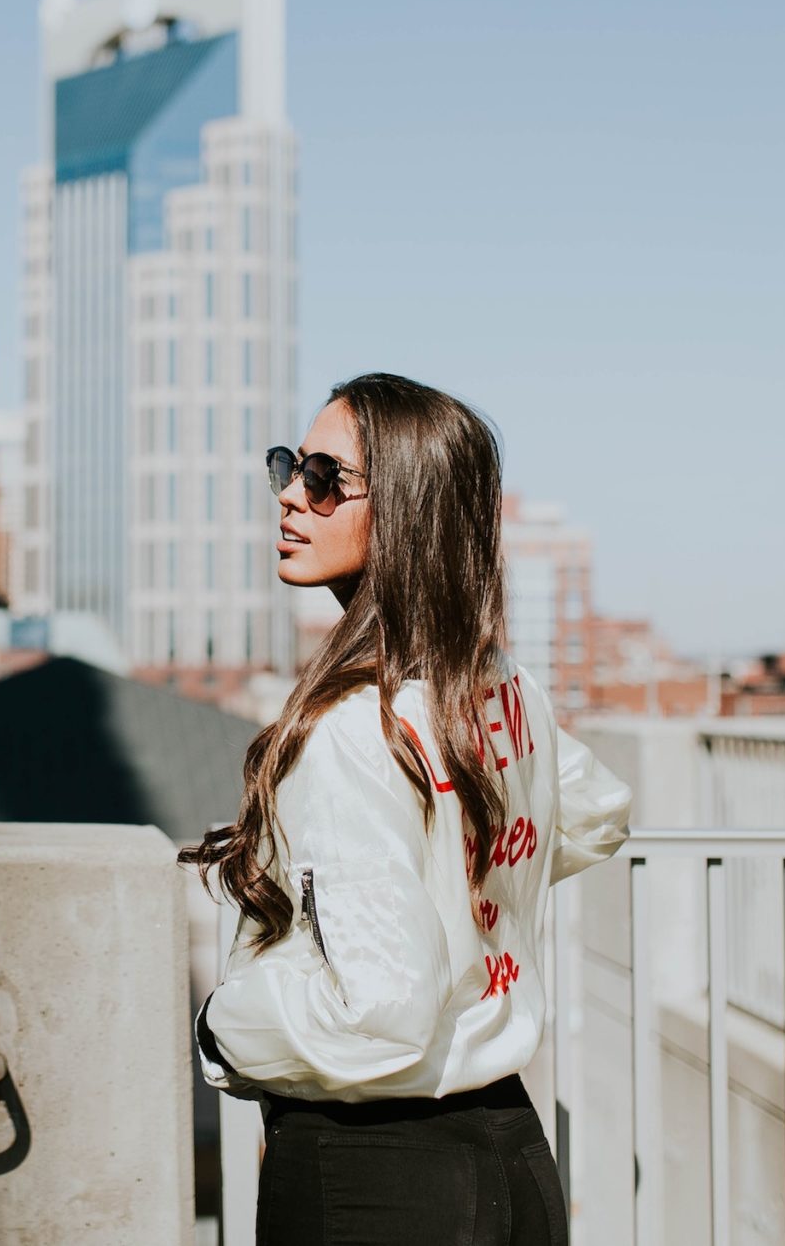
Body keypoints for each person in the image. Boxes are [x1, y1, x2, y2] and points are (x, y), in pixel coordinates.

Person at [183, 373, 633, 1246]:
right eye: (290, 465)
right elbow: (595, 811)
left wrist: (223, 1023)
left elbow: (380, 1014)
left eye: (322, 477)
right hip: (512, 1158)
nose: (288, 494)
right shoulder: (494, 685)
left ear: (407, 511)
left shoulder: (354, 726)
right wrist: (461, 880)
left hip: (376, 1176)